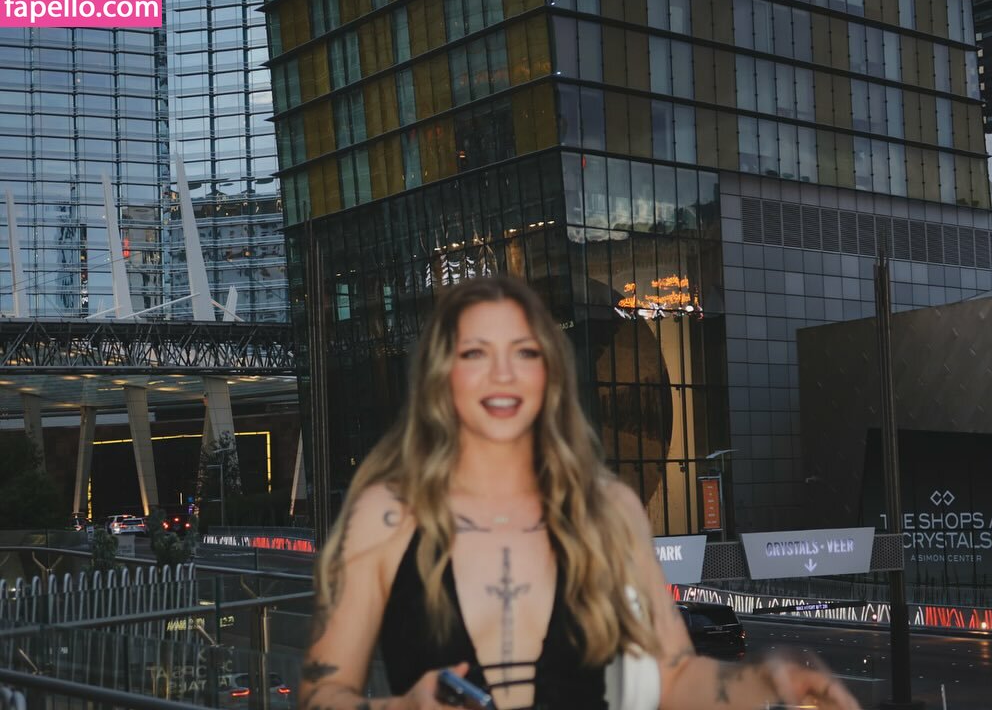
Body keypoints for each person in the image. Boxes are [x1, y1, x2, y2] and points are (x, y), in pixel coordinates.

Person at [301, 276, 859, 710]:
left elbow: (672, 676)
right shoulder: (386, 515)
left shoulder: (608, 511)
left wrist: (764, 681)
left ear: (550, 375)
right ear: (441, 376)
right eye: (475, 353)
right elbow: (321, 692)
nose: (503, 374)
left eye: (524, 352)